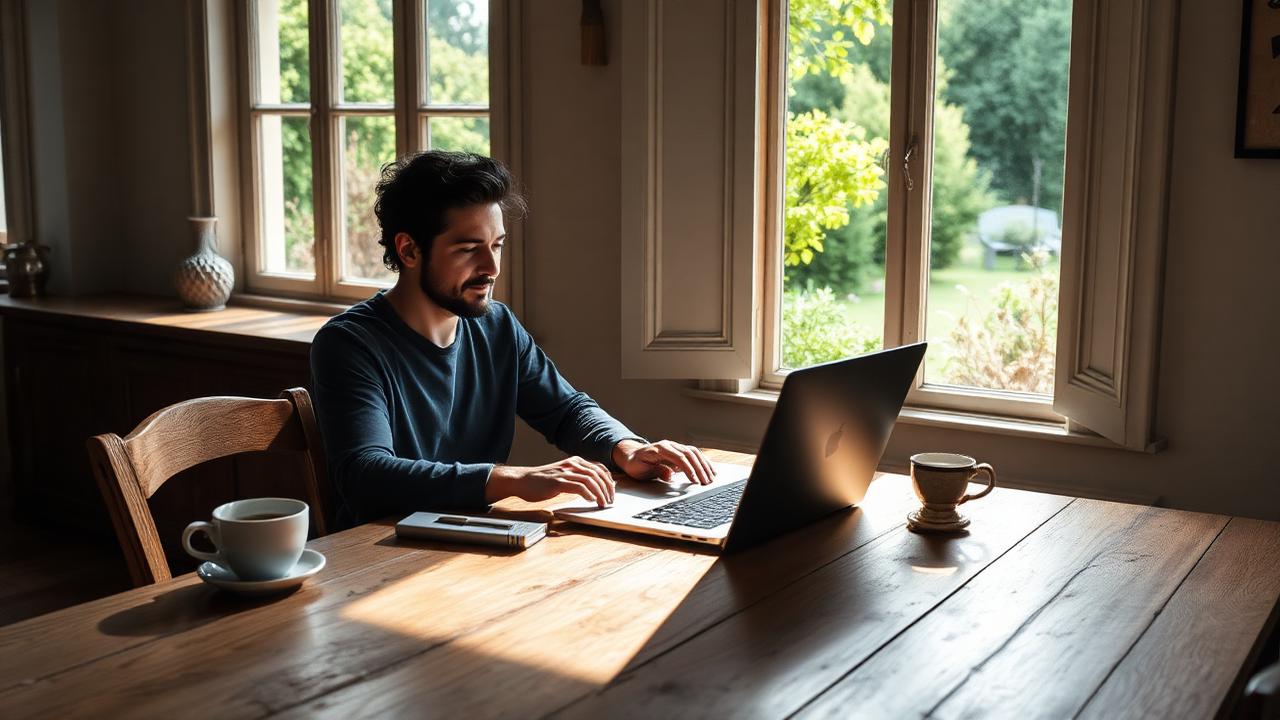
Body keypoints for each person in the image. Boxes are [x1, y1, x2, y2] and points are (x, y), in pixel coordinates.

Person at [311, 151, 716, 528]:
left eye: (497, 246)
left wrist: (623, 447)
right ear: (409, 250)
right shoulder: (349, 344)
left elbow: (566, 411)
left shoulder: (497, 326)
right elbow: (364, 473)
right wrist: (510, 479)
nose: (491, 267)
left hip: (472, 538)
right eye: (469, 249)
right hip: (376, 552)